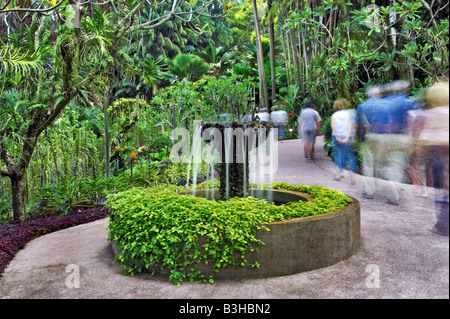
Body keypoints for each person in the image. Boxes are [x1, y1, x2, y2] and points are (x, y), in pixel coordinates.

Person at [356, 81, 417, 205]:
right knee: (395, 165)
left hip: (372, 136)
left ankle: (369, 191)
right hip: (399, 137)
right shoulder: (408, 102)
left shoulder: (368, 105)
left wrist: (357, 138)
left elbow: (359, 124)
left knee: (369, 164)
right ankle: (393, 196)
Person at [418, 80, 449, 235]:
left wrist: (420, 149)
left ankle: (442, 225)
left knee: (441, 191)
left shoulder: (432, 113)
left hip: (438, 155)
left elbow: (425, 136)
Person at [331, 98, 357, 184]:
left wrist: (338, 138)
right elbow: (349, 127)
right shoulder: (348, 114)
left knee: (338, 155)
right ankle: (352, 178)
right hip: (347, 136)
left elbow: (333, 128)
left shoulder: (334, 115)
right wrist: (346, 137)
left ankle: (338, 175)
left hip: (336, 136)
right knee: (349, 156)